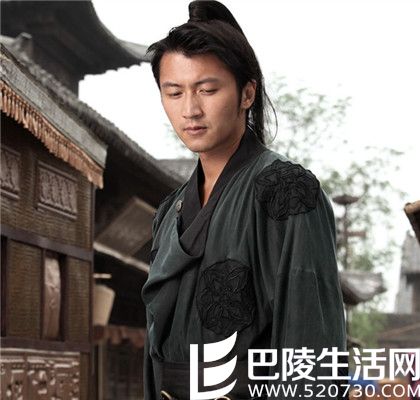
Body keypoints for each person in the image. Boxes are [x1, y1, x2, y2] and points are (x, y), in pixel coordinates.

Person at [142, 1, 347, 399]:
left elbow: (312, 341)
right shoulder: (170, 211)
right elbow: (154, 353)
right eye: (174, 92)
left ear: (247, 93)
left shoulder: (287, 189)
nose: (190, 110)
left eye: (207, 90)